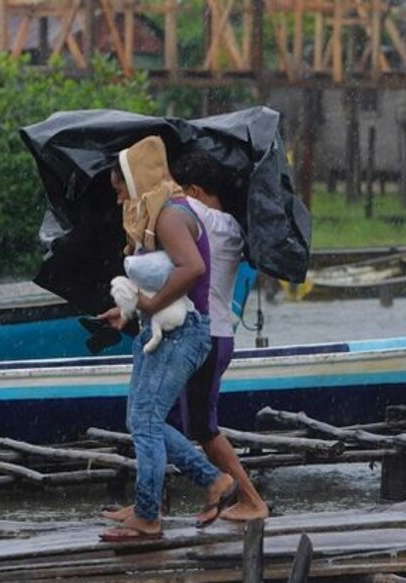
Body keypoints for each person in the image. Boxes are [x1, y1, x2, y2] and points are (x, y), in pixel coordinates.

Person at [103, 149, 269, 525]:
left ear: (192, 189)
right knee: (161, 420)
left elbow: (183, 256)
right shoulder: (231, 225)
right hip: (203, 330)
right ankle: (153, 503)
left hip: (199, 332)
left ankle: (249, 497)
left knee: (199, 428)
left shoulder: (188, 214)